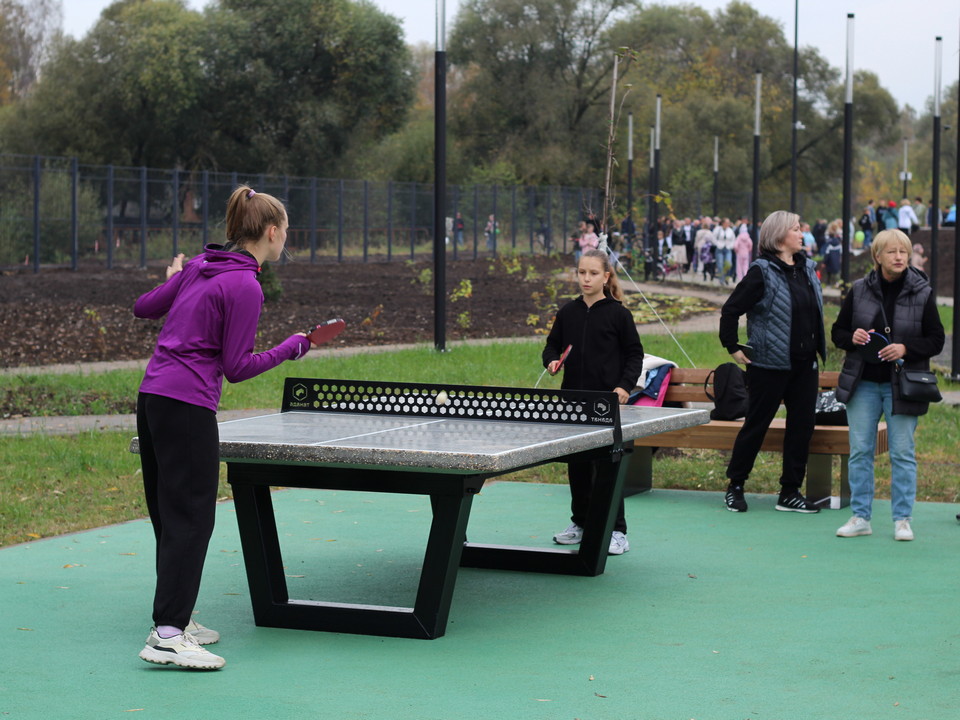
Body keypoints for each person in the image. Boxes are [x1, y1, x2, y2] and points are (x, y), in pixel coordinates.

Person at [133, 186, 316, 669]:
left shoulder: (199, 266)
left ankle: (176, 616)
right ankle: (167, 634)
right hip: (187, 406)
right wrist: (291, 348)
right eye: (286, 232)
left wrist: (174, 278)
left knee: (172, 515)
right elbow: (237, 366)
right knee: (192, 518)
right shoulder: (246, 286)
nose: (285, 240)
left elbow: (143, 306)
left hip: (151, 398)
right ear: (272, 232)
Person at [831, 229, 944, 541]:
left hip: (903, 386)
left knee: (903, 453)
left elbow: (936, 339)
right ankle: (860, 517)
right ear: (877, 256)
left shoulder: (922, 292)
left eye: (903, 252)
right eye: (892, 252)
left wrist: (905, 348)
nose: (899, 258)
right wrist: (851, 338)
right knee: (861, 451)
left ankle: (902, 519)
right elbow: (838, 332)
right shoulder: (859, 290)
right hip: (863, 383)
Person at [718, 210, 826, 514]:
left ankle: (790, 492)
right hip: (769, 365)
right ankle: (735, 486)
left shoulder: (807, 269)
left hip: (805, 366)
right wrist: (732, 346)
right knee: (756, 425)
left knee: (802, 427)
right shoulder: (762, 271)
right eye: (796, 228)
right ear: (779, 236)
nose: (802, 232)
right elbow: (731, 310)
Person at [542, 248, 644, 555]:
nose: (586, 279)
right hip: (573, 402)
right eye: (582, 273)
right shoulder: (567, 312)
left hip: (605, 405)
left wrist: (624, 386)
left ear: (606, 277)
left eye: (593, 273)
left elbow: (634, 354)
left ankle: (617, 531)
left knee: (607, 466)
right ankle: (582, 522)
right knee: (578, 466)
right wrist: (551, 362)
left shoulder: (618, 314)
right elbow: (552, 346)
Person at [821, 220, 842, 286]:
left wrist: (824, 262)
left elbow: (827, 252)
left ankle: (829, 283)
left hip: (830, 258)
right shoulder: (838, 241)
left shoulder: (829, 240)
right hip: (836, 257)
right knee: (836, 271)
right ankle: (837, 283)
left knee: (829, 271)